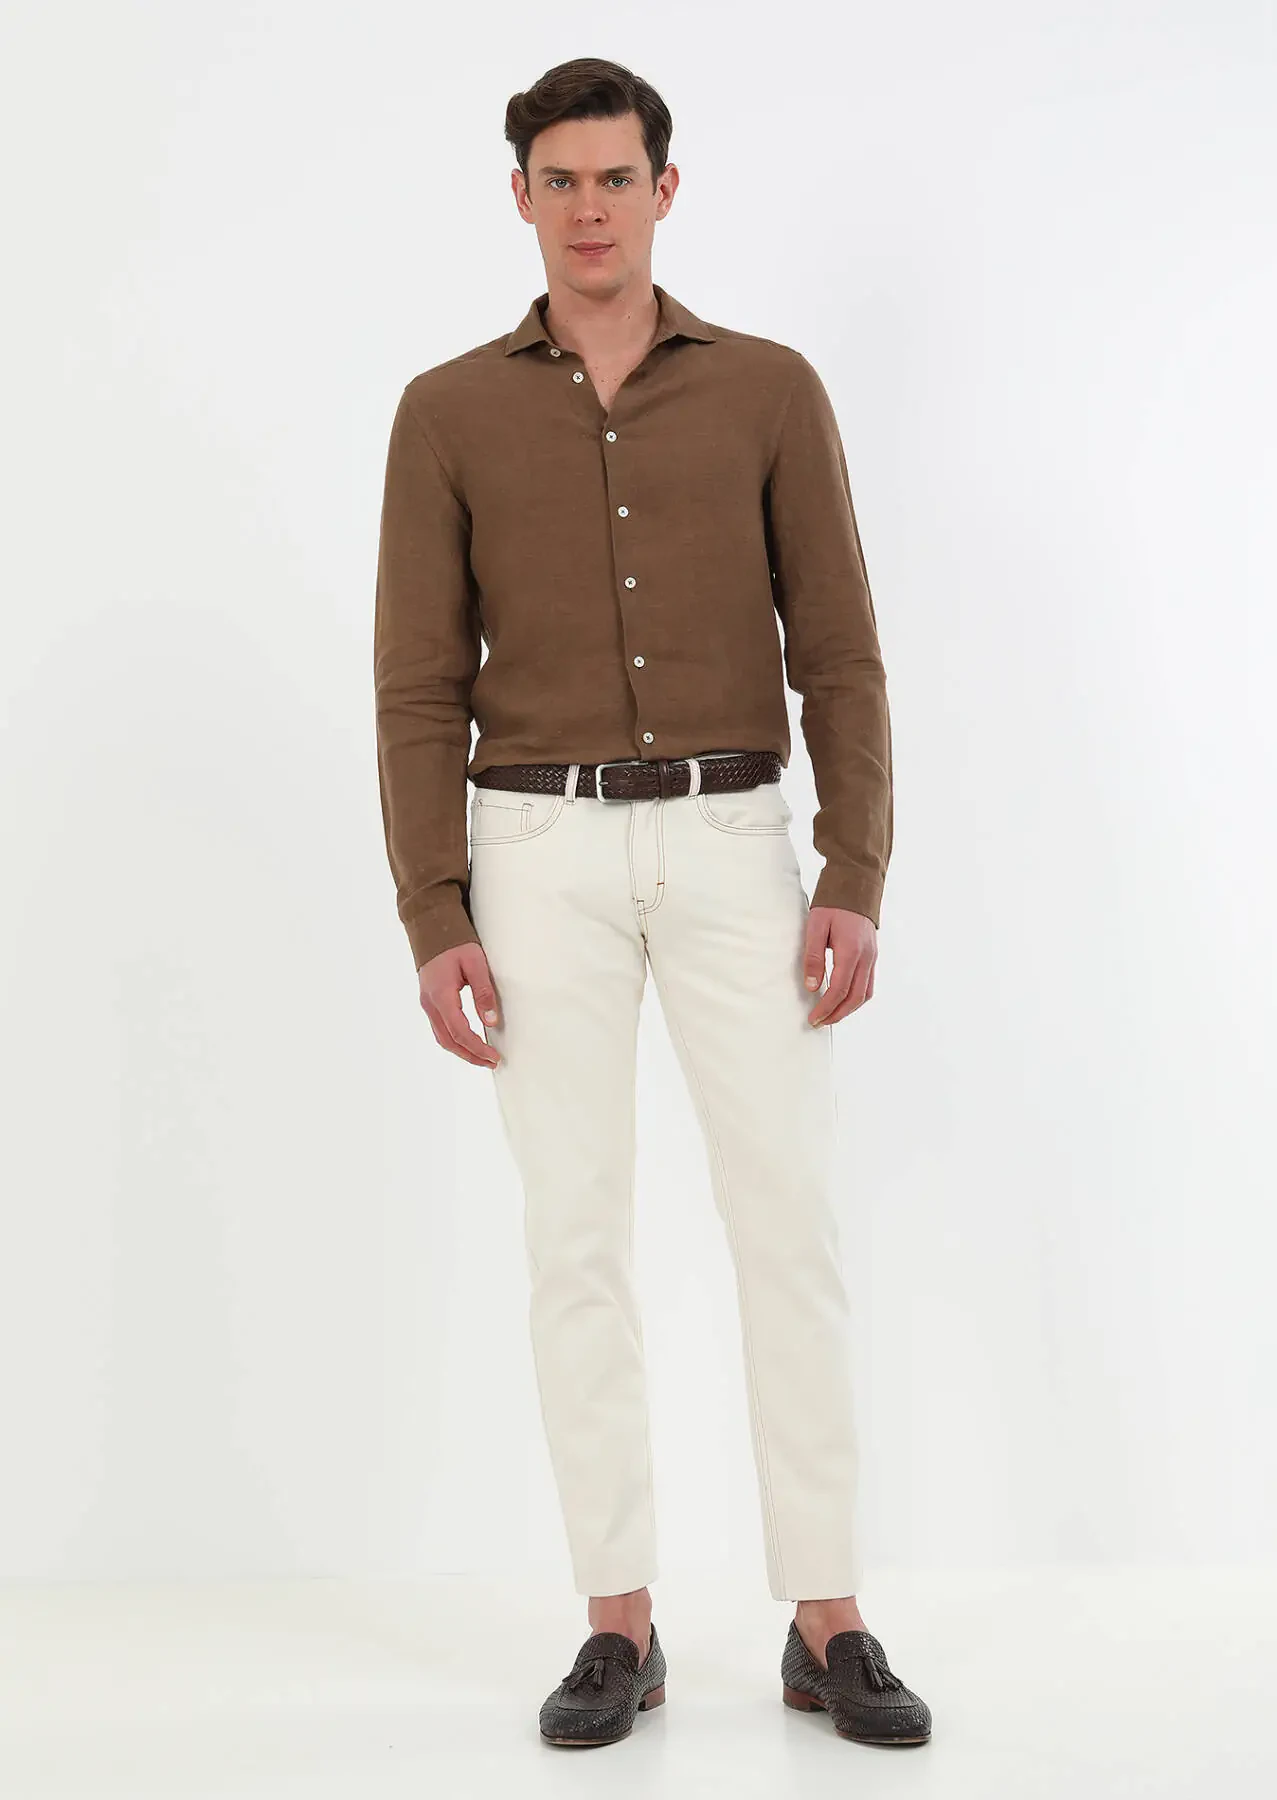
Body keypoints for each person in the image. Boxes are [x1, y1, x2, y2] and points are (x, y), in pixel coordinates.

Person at [372, 55, 932, 1750]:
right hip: (534, 854)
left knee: (787, 1224)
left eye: (618, 177)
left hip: (734, 842)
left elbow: (839, 648)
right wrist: (435, 911)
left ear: (664, 191)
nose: (591, 207)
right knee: (577, 1241)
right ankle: (617, 1622)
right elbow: (416, 684)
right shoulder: (447, 413)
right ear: (521, 198)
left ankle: (826, 1617)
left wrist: (853, 868)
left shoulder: (768, 391)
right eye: (561, 179)